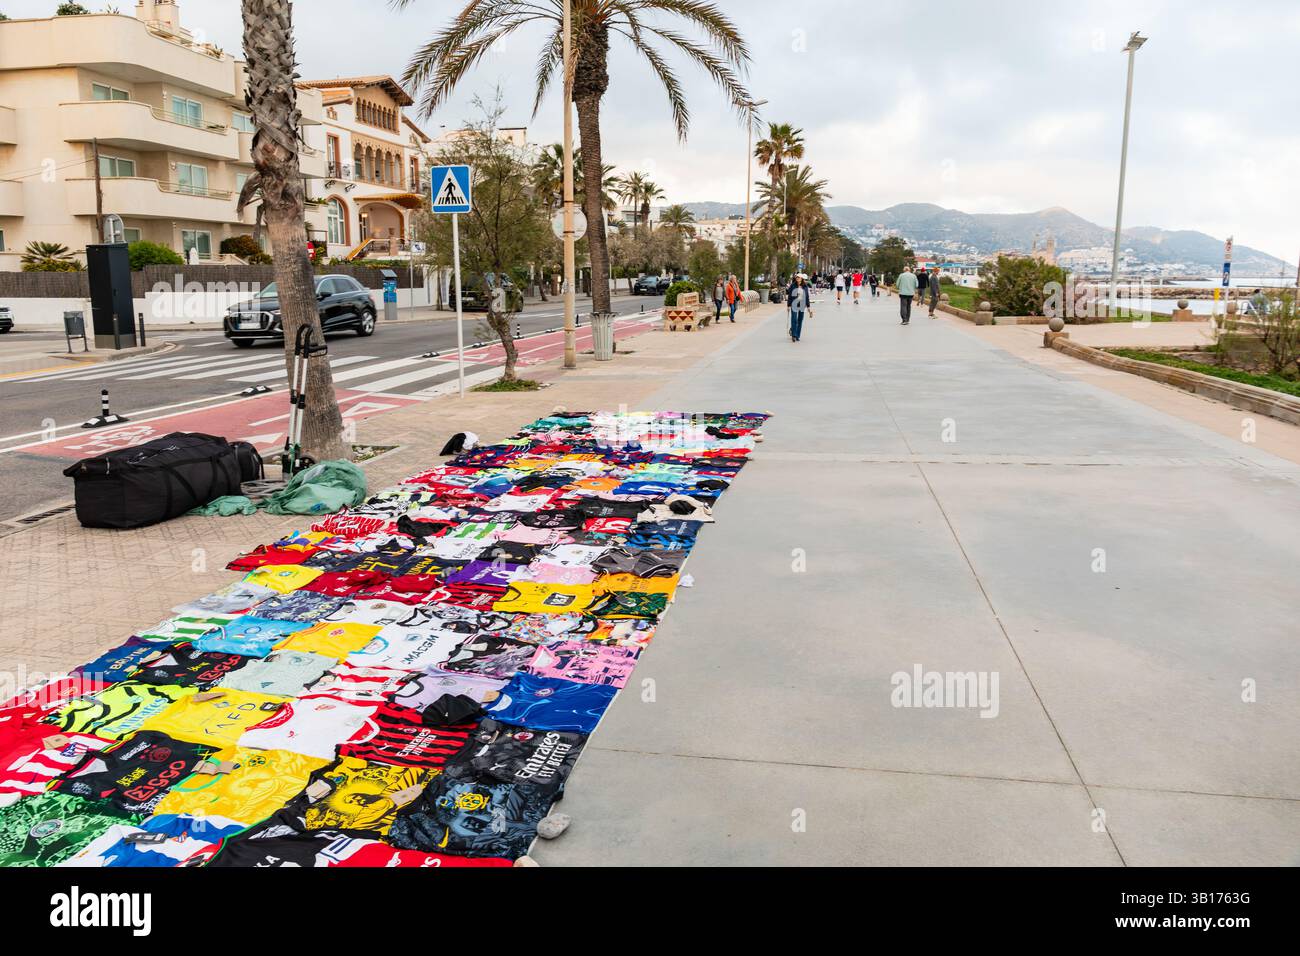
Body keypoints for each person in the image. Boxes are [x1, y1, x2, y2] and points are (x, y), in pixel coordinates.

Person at [787, 274, 812, 342]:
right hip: (794, 304)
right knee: (794, 319)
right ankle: (794, 335)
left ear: (802, 278)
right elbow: (789, 296)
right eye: (796, 277)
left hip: (802, 305)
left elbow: (807, 297)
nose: (797, 278)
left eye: (798, 277)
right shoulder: (793, 285)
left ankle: (797, 335)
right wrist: (788, 305)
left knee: (800, 320)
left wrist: (808, 307)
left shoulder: (805, 286)